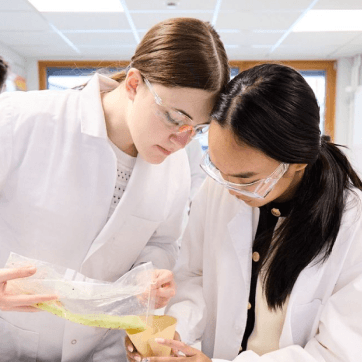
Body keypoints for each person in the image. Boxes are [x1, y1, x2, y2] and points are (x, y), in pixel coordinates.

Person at [0, 17, 230, 362]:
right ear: (135, 83)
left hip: (100, 350)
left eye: (195, 128)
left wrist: (150, 274)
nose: (181, 141)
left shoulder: (174, 167)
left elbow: (162, 241)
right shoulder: (20, 120)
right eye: (173, 117)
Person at [126, 63, 362, 362]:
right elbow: (195, 274)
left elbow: (338, 351)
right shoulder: (219, 189)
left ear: (299, 162)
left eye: (246, 178)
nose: (229, 187)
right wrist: (175, 336)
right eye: (219, 169)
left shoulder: (353, 224)